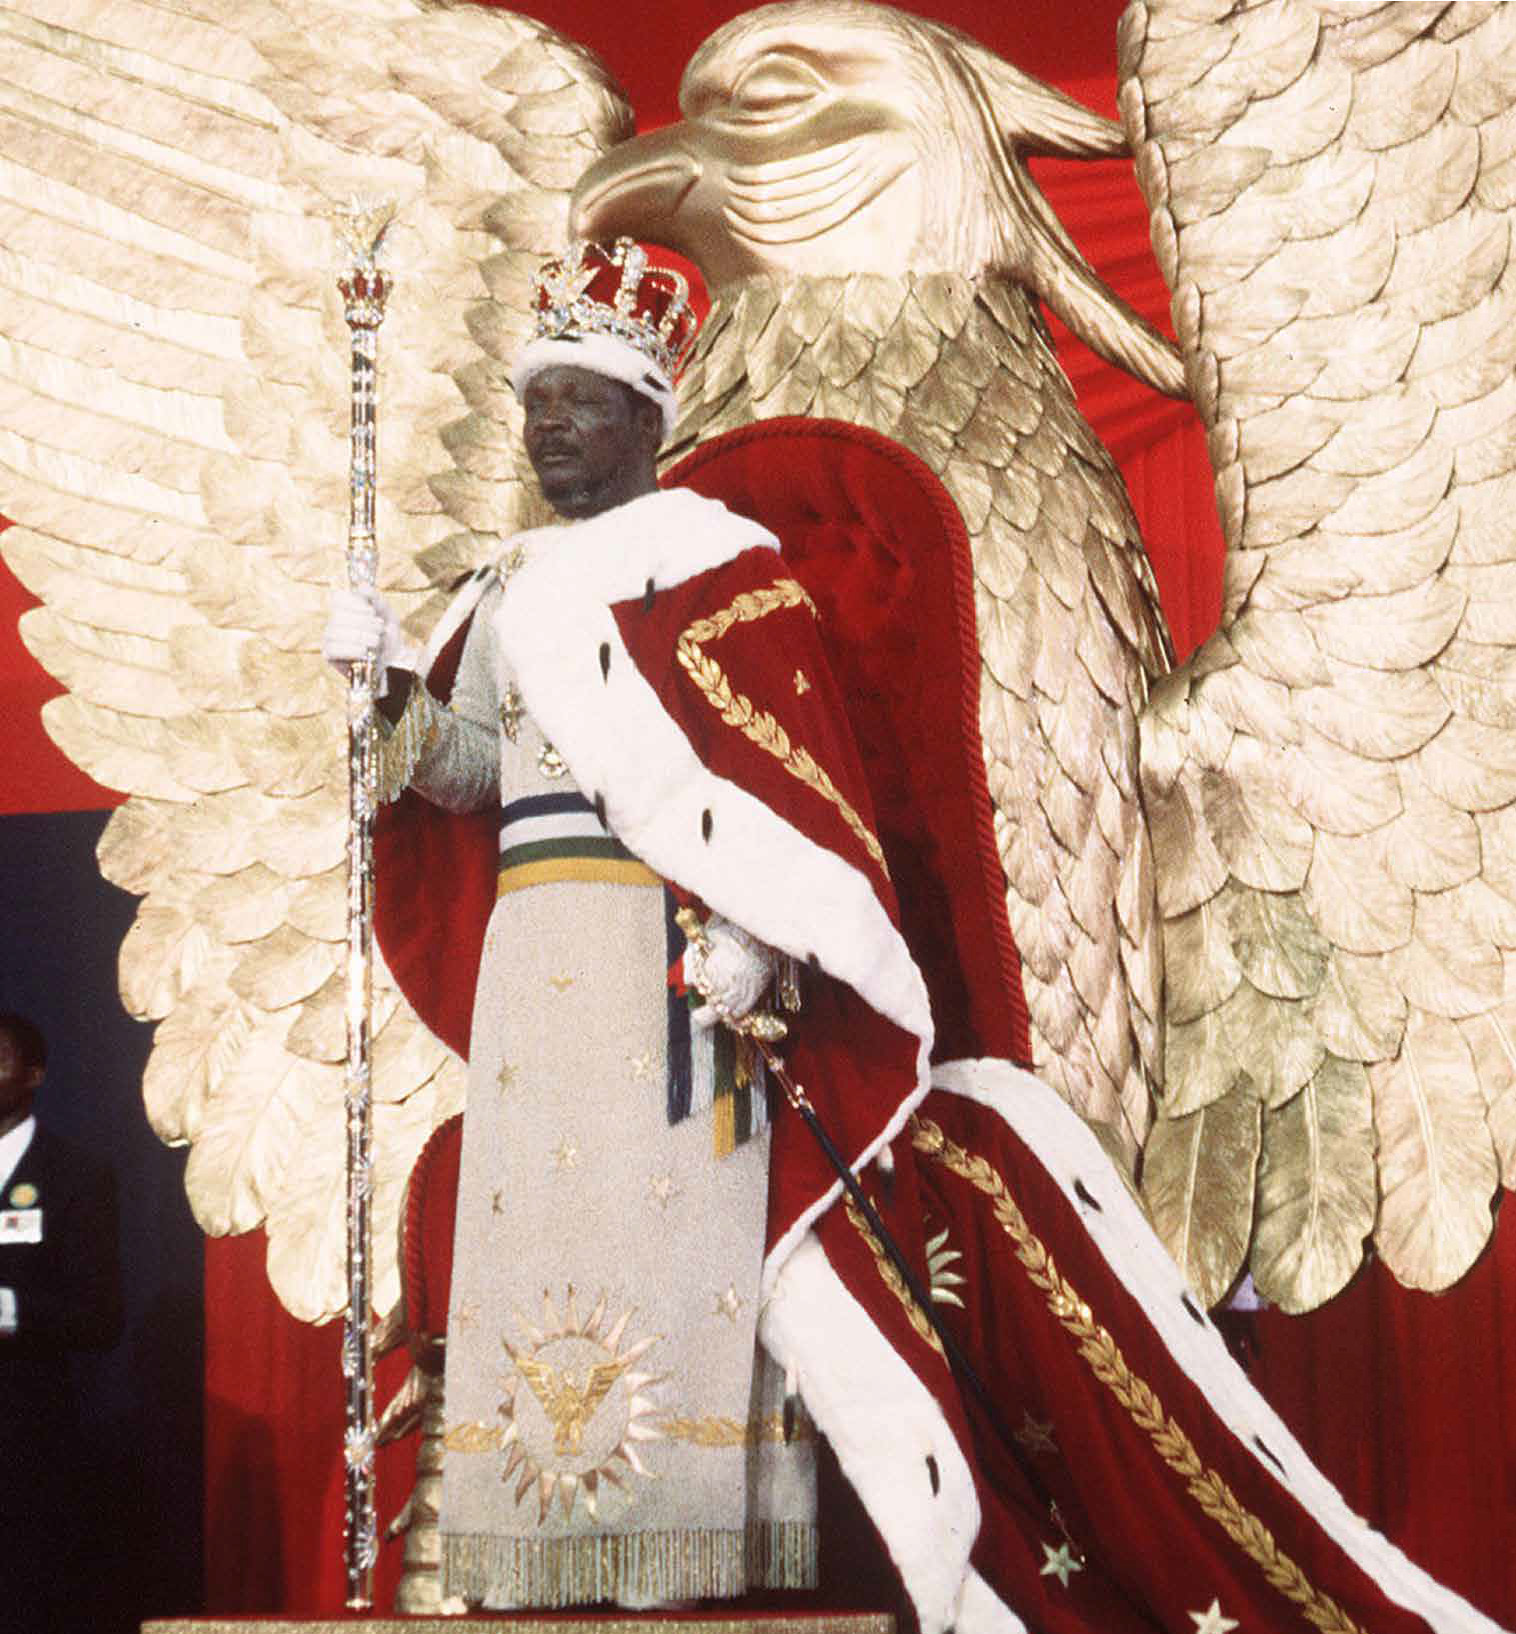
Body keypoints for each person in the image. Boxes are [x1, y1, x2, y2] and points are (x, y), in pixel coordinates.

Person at [327, 239, 1507, 1634]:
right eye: (537, 405)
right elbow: (472, 774)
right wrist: (389, 700)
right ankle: (557, 1557)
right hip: (538, 978)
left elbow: (782, 786)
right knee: (546, 1251)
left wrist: (761, 939)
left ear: (646, 417)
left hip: (666, 966)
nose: (550, 429)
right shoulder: (503, 590)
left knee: (674, 1259)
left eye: (578, 401)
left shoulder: (711, 566)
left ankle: (685, 1557)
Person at [0, 1010, 124, 1633]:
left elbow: (101, 1317)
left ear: (34, 1074)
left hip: (25, 1440)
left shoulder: (74, 1176)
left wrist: (9, 1310)